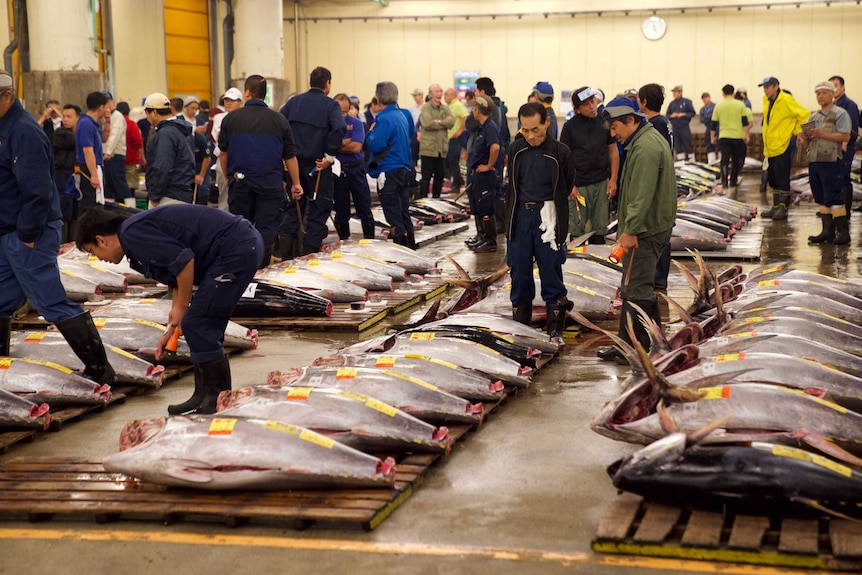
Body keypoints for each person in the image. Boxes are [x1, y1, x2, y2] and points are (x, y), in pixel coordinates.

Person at [75, 204, 263, 414]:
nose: (98, 258)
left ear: (101, 239)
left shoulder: (132, 235)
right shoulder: (132, 235)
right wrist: (173, 322)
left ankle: (216, 398)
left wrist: (183, 307)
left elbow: (184, 262)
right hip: (237, 248)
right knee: (200, 324)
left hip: (235, 249)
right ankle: (203, 395)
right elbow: (175, 272)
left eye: (93, 251)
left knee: (198, 323)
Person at [0, 69, 115, 385]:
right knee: (1, 299)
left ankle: (100, 369)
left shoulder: (23, 132)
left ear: (7, 96)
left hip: (27, 233)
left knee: (49, 300)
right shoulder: (4, 128)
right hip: (7, 232)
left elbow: (37, 191)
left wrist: (27, 234)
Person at [597, 105, 676, 364]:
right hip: (651, 225)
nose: (613, 134)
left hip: (645, 229)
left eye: (615, 127)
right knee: (636, 286)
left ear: (630, 120)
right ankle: (647, 342)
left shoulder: (645, 148)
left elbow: (641, 195)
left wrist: (630, 230)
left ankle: (636, 349)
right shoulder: (646, 140)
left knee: (635, 288)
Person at [505, 102, 574, 345]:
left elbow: (566, 185)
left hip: (549, 218)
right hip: (521, 218)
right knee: (520, 273)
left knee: (551, 272)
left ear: (547, 122)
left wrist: (559, 224)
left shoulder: (561, 152)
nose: (531, 136)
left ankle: (555, 330)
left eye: (536, 129)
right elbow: (511, 186)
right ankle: (521, 329)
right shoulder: (516, 150)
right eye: (525, 130)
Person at [219, 75, 302, 266]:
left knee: (240, 227)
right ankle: (262, 268)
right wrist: (295, 183)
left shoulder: (231, 119)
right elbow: (289, 157)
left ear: (247, 92)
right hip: (270, 184)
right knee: (267, 228)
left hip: (240, 183)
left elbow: (223, 154)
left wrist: (227, 177)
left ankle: (242, 269)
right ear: (264, 95)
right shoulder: (279, 120)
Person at [279, 66, 346, 257]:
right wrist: (329, 157)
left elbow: (279, 125)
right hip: (318, 166)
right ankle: (309, 257)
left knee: (293, 205)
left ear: (310, 83)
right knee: (318, 208)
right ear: (328, 84)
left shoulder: (293, 103)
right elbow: (339, 128)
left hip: (293, 165)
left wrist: (283, 156)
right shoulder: (330, 105)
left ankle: (286, 257)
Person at [559, 86, 618, 245]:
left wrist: (613, 179)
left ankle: (596, 265)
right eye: (586, 104)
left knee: (600, 230)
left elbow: (613, 151)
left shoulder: (604, 123)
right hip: (578, 186)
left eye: (593, 102)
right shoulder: (570, 127)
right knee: (577, 230)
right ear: (577, 109)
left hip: (601, 183)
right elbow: (563, 158)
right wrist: (569, 184)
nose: (592, 107)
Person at [800, 81, 852, 245]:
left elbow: (845, 136)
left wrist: (821, 134)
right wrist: (804, 139)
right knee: (821, 197)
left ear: (831, 94)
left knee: (833, 196)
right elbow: (809, 141)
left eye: (824, 93)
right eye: (818, 93)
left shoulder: (840, 114)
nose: (820, 96)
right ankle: (827, 231)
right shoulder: (813, 116)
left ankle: (843, 232)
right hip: (815, 160)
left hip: (831, 161)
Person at [366, 81, 415, 248]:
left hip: (389, 171)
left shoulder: (384, 118)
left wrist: (370, 133)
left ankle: (401, 254)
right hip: (403, 170)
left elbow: (376, 144)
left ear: (378, 99)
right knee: (403, 212)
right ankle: (411, 249)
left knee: (393, 216)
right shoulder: (401, 115)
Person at [759, 76, 809, 220]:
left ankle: (783, 208)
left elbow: (804, 114)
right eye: (764, 87)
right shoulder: (768, 102)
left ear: (776, 86)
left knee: (782, 179)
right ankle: (775, 207)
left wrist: (796, 131)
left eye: (768, 87)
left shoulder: (786, 99)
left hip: (782, 146)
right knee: (773, 179)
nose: (766, 90)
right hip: (770, 148)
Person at [332, 92, 375, 240]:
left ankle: (370, 240)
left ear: (350, 109)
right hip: (338, 171)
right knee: (341, 209)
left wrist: (336, 145)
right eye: (339, 111)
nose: (342, 115)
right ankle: (343, 240)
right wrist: (345, 142)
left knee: (364, 206)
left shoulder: (356, 123)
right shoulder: (328, 124)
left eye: (345, 111)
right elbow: (325, 145)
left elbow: (356, 147)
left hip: (357, 169)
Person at [142, 92, 196, 207]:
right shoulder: (183, 131)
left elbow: (162, 166)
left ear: (154, 112)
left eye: (147, 113)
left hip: (168, 197)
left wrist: (155, 196)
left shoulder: (165, 134)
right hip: (184, 194)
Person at [466, 95, 501, 253]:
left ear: (477, 110)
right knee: (479, 207)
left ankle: (490, 241)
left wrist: (488, 166)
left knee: (486, 208)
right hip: (478, 176)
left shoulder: (490, 127)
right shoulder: (483, 127)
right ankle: (483, 237)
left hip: (485, 176)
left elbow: (495, 148)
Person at [710, 84, 751, 189]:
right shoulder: (740, 105)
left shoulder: (719, 106)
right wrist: (747, 135)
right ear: (733, 93)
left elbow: (713, 124)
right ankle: (733, 181)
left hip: (724, 137)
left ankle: (724, 182)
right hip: (737, 137)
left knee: (724, 160)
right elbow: (745, 122)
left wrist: (712, 137)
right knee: (736, 160)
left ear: (723, 94)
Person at [209, 87, 243, 211]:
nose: (228, 103)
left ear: (240, 102)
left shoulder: (245, 118)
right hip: (223, 158)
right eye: (226, 100)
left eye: (232, 100)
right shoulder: (218, 117)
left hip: (241, 158)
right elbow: (217, 136)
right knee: (224, 190)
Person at [829, 76, 859, 215]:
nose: (834, 89)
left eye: (836, 85)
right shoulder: (832, 105)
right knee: (833, 178)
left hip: (845, 147)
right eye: (831, 86)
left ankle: (845, 211)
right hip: (833, 147)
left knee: (844, 177)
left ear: (843, 87)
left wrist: (845, 142)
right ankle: (835, 208)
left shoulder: (849, 105)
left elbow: (852, 127)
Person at [419, 84, 454, 199]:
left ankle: (436, 199)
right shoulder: (426, 108)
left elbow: (451, 123)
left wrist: (438, 121)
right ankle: (423, 199)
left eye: (440, 91)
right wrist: (443, 122)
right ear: (431, 94)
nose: (439, 94)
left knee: (440, 175)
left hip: (441, 148)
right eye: (437, 91)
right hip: (428, 148)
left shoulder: (445, 108)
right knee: (426, 176)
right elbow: (427, 123)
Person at [75, 91, 108, 213]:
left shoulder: (92, 124)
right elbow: (88, 151)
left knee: (97, 205)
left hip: (94, 167)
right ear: (101, 107)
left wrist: (107, 123)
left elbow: (103, 139)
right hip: (88, 169)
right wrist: (93, 174)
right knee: (91, 207)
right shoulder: (86, 124)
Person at [54, 104, 81, 241]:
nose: (65, 119)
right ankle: (62, 242)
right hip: (61, 176)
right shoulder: (60, 133)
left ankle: (73, 241)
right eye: (63, 116)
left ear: (78, 118)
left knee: (74, 210)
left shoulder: (78, 133)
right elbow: (76, 140)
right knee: (63, 209)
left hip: (75, 175)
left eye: (69, 116)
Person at [101, 92, 131, 203]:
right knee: (109, 185)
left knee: (119, 183)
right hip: (106, 156)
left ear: (110, 102)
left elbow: (115, 135)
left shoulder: (117, 116)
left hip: (115, 155)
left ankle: (130, 208)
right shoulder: (106, 117)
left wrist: (108, 152)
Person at [116, 102, 144, 203]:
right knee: (130, 189)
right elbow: (138, 142)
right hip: (131, 162)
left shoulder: (114, 125)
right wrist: (142, 158)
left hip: (115, 162)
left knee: (118, 187)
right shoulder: (132, 125)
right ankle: (130, 211)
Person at [444, 88, 468, 194]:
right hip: (447, 139)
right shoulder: (448, 106)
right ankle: (459, 180)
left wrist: (460, 130)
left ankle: (456, 186)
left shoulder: (458, 105)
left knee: (453, 162)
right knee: (448, 162)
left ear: (453, 95)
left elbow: (465, 116)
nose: (445, 97)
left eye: (447, 95)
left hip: (455, 139)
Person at [666, 85, 695, 160]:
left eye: (675, 92)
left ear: (680, 92)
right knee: (677, 146)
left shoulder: (687, 102)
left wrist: (684, 114)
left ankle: (692, 162)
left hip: (684, 127)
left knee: (687, 145)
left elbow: (692, 113)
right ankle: (681, 163)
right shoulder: (672, 104)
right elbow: (667, 115)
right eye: (673, 92)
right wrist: (672, 115)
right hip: (675, 127)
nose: (674, 94)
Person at [699, 92, 717, 164]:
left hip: (717, 128)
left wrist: (708, 118)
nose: (705, 100)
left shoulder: (715, 107)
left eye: (706, 98)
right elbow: (701, 119)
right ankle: (711, 162)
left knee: (719, 146)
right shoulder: (702, 109)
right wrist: (709, 118)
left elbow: (715, 118)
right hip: (708, 128)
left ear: (709, 98)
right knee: (709, 145)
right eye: (703, 99)